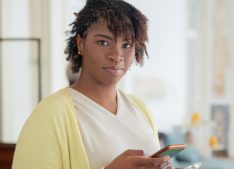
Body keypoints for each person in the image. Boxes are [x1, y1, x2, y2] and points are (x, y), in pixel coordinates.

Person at [12, 0, 172, 168]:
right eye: (103, 42)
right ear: (80, 43)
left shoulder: (140, 109)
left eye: (126, 45)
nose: (116, 55)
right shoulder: (50, 114)